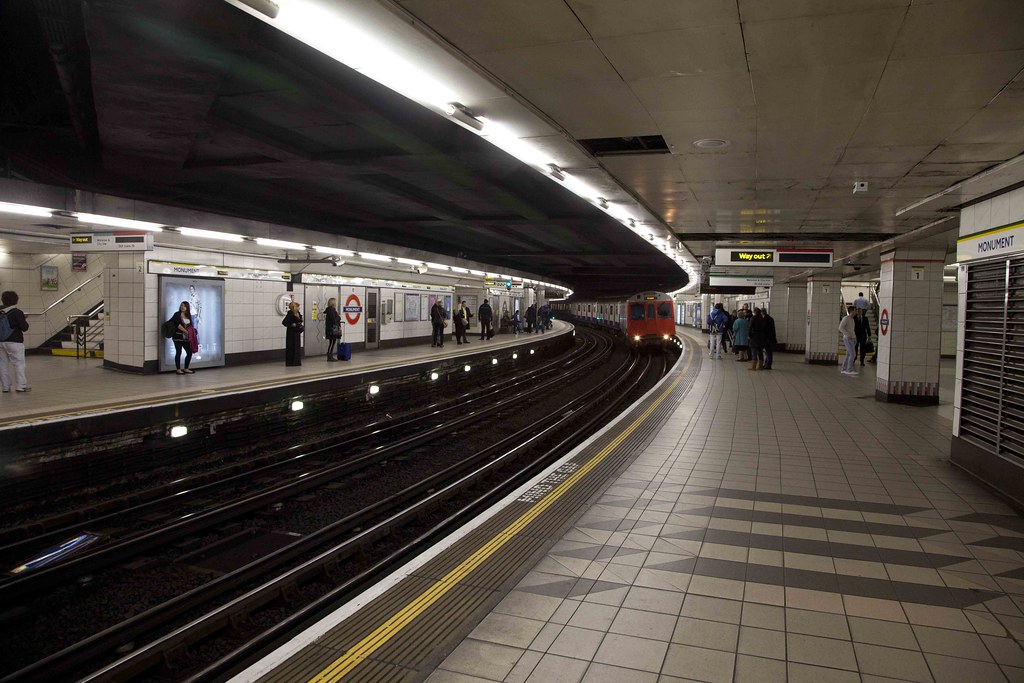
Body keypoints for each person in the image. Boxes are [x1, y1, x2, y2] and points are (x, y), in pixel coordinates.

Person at [0, 290, 30, 392]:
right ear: (15, 300)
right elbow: (24, 327)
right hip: (15, 342)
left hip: (1, 342)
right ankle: (21, 386)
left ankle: (5, 387)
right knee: (19, 364)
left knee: (2, 364)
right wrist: (24, 319)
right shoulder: (17, 312)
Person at [168, 301, 195, 375]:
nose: (182, 307)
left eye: (184, 306)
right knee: (178, 352)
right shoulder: (177, 314)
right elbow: (177, 324)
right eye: (181, 305)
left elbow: (190, 325)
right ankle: (178, 369)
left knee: (189, 352)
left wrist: (191, 332)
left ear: (187, 307)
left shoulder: (188, 315)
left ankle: (186, 368)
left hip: (186, 338)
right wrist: (185, 331)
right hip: (177, 336)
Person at [282, 301, 303, 366]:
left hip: (296, 332)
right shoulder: (290, 314)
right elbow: (284, 322)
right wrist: (291, 325)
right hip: (291, 333)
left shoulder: (298, 314)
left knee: (296, 346)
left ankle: (296, 361)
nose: (299, 308)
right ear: (294, 307)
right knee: (291, 347)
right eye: (298, 307)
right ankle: (290, 362)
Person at [839, 306, 858, 376]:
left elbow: (852, 330)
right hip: (847, 338)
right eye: (855, 310)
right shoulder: (846, 318)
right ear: (852, 311)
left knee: (848, 354)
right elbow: (840, 328)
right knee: (852, 354)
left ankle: (844, 369)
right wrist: (847, 334)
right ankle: (848, 369)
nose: (856, 312)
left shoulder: (852, 319)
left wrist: (854, 337)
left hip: (852, 339)